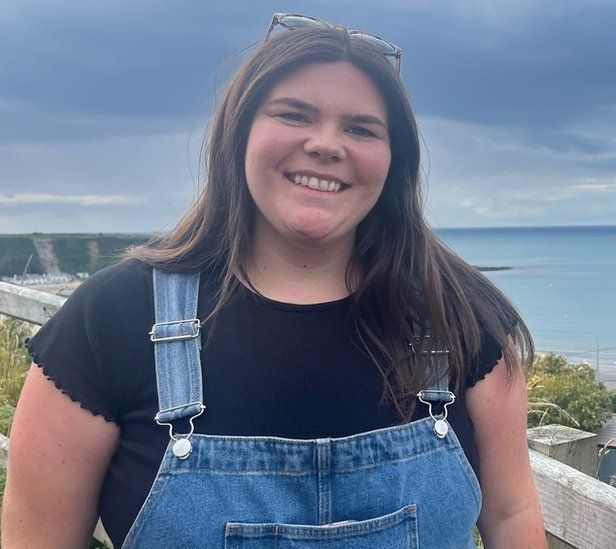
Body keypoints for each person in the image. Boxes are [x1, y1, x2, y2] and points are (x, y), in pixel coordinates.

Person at [2, 14, 546, 548]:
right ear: (238, 133)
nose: (327, 144)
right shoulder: (113, 318)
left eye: (361, 128)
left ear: (393, 159)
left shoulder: (459, 315)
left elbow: (512, 512)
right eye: (294, 114)